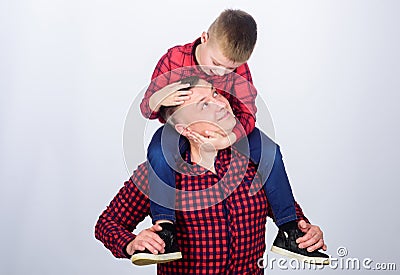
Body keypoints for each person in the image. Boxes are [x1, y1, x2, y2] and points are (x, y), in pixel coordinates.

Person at [95, 78, 329, 274]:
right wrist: (131, 244)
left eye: (216, 93)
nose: (220, 103)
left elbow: (288, 211)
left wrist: (308, 232)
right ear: (184, 129)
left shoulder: (256, 164)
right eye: (204, 105)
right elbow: (107, 224)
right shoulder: (159, 173)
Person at [139, 9, 303, 264]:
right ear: (204, 38)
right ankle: (165, 229)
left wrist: (227, 140)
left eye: (230, 68)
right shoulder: (174, 59)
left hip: (229, 129)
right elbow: (145, 110)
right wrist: (158, 99)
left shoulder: (239, 69)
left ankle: (289, 228)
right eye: (216, 64)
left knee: (270, 151)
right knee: (158, 152)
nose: (221, 73)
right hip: (180, 128)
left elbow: (248, 114)